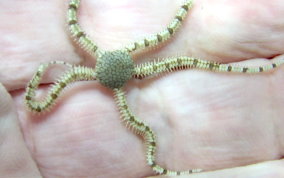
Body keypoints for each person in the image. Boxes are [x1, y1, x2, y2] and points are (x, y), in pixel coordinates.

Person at [0, 0, 284, 177]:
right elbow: (72, 22)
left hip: (114, 71)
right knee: (183, 55)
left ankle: (267, 68)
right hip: (111, 73)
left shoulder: (86, 67)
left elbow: (75, 24)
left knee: (187, 57)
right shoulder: (92, 75)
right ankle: (161, 167)